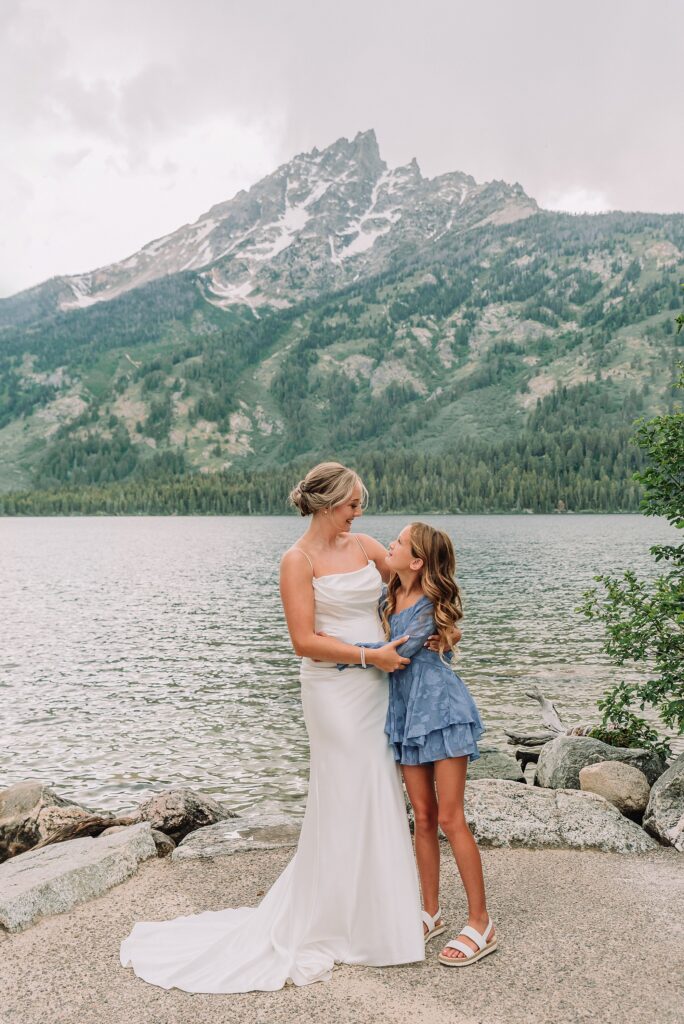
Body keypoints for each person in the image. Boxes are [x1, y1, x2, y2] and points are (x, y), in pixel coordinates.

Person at [120, 462, 426, 992]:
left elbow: (411, 584)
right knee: (343, 790)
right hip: (333, 689)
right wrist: (369, 654)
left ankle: (379, 916)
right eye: (353, 504)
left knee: (376, 786)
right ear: (328, 504)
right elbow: (303, 641)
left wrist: (427, 629)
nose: (359, 513)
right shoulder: (297, 560)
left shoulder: (366, 547)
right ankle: (332, 917)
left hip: (377, 685)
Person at [337, 522, 497, 966]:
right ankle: (431, 912)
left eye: (400, 542)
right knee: (422, 817)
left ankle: (481, 922)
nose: (390, 544)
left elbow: (397, 652)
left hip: (442, 712)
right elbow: (361, 550)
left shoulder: (427, 604)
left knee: (450, 817)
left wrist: (338, 653)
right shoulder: (390, 594)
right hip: (408, 716)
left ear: (417, 561)